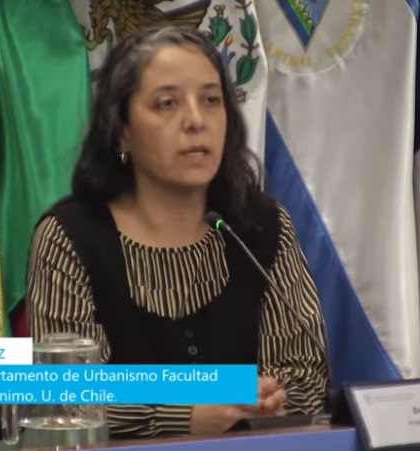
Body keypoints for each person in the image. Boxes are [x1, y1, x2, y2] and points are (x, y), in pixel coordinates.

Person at [24, 23, 330, 439]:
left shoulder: (261, 225)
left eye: (211, 100)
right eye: (167, 103)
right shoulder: (70, 238)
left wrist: (265, 398)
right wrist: (185, 415)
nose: (195, 121)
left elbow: (307, 376)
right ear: (121, 130)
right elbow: (69, 397)